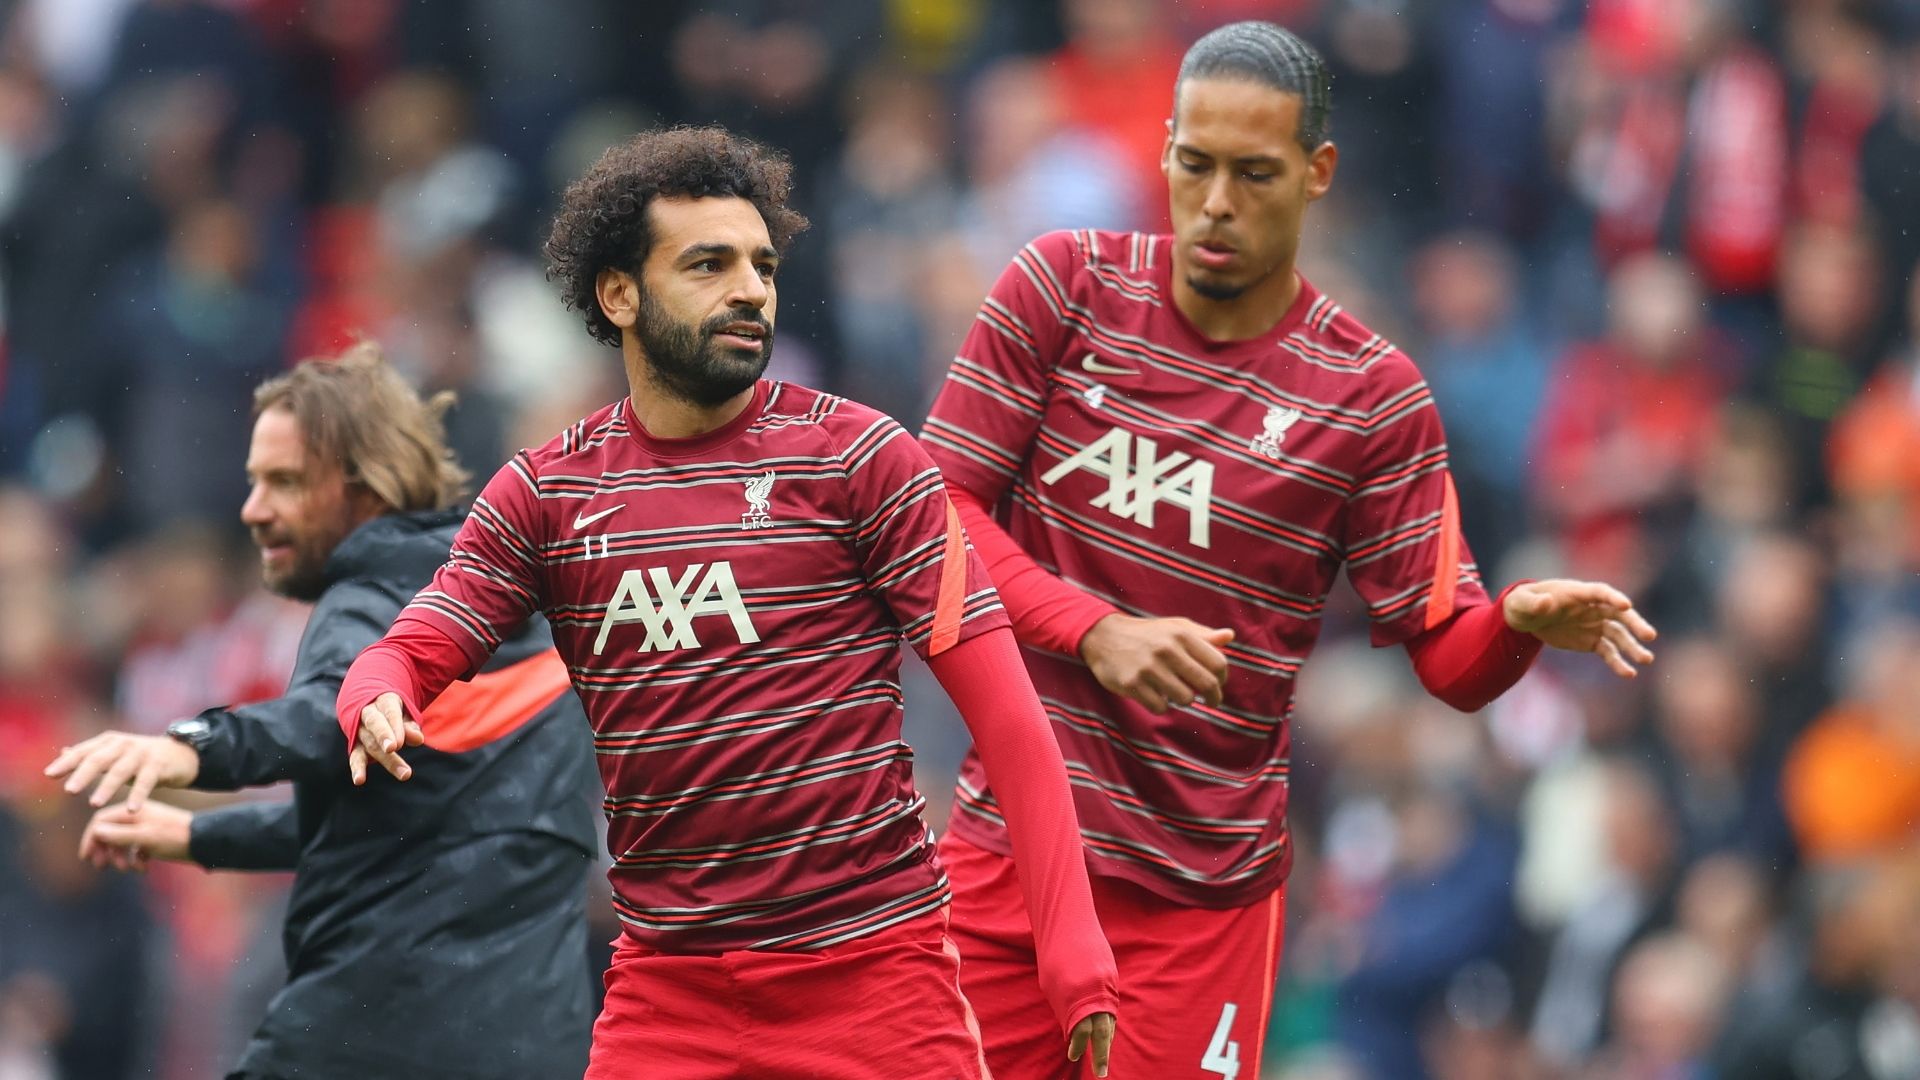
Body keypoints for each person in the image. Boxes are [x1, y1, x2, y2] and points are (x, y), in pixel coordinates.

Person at [918, 20, 1660, 1079]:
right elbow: (931, 518)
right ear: (1166, 146)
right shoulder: (1064, 288)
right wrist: (1093, 634)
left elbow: (1447, 655)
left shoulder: (1371, 396)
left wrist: (1517, 625)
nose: (1216, 202)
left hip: (1201, 904)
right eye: (1195, 164)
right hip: (1012, 863)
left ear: (1318, 173)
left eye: (1255, 173)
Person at [335, 126, 1121, 1079]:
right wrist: (374, 692)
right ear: (619, 294)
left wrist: (1074, 955)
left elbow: (1011, 723)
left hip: (875, 983)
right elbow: (417, 643)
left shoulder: (862, 461)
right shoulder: (545, 494)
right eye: (708, 264)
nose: (750, 288)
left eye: (761, 263)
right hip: (669, 996)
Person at [44, 346, 599, 1080]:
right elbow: (403, 824)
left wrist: (189, 748)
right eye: (253, 482)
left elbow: (327, 718)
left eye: (283, 482)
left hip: (369, 1035)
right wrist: (197, 835)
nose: (252, 509)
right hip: (537, 1045)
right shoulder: (513, 611)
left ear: (361, 489)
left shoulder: (364, 603)